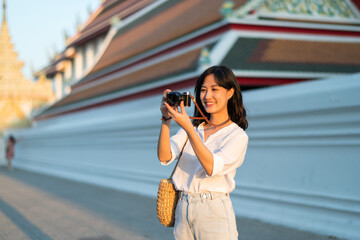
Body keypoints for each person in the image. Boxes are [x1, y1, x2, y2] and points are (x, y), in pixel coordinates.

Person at [157, 65, 248, 240]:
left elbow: (212, 167)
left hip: (213, 210)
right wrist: (166, 119)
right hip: (183, 208)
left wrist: (188, 129)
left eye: (215, 89)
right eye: (203, 90)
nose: (207, 96)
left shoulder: (237, 135)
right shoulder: (192, 128)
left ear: (230, 93)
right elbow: (164, 156)